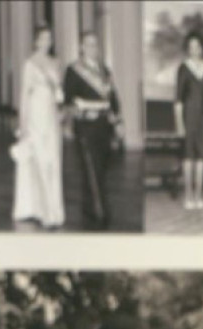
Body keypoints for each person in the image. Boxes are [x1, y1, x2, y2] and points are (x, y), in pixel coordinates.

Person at [64, 31, 124, 230]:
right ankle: (101, 212)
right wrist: (81, 109)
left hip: (104, 126)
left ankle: (88, 209)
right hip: (86, 126)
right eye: (88, 44)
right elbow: (68, 99)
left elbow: (113, 98)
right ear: (81, 47)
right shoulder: (73, 70)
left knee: (101, 169)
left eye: (95, 44)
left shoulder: (104, 71)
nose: (92, 48)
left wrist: (118, 122)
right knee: (92, 169)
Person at [12, 25, 65, 230]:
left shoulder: (55, 62)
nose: (46, 42)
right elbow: (24, 96)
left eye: (49, 38)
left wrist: (60, 110)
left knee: (52, 161)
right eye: (43, 38)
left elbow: (59, 93)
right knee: (40, 161)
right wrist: (23, 124)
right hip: (35, 116)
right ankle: (45, 211)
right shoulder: (30, 64)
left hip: (51, 116)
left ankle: (53, 209)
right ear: (36, 41)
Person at [175, 32, 203, 211]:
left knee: (202, 158)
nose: (194, 50)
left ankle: (199, 195)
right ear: (187, 49)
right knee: (188, 157)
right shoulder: (183, 68)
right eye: (191, 47)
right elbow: (178, 99)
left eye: (197, 46)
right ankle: (188, 195)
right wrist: (179, 124)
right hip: (188, 117)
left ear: (202, 48)